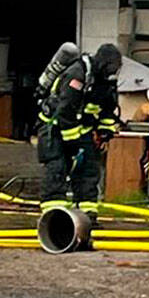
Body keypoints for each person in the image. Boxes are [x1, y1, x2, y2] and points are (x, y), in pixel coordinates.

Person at [37, 43, 122, 220]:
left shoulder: (106, 81)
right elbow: (66, 109)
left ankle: (86, 215)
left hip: (81, 129)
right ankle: (54, 216)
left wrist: (105, 130)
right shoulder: (78, 74)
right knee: (57, 168)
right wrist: (73, 141)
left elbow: (107, 109)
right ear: (102, 63)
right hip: (55, 127)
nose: (113, 72)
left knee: (89, 168)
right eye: (112, 67)